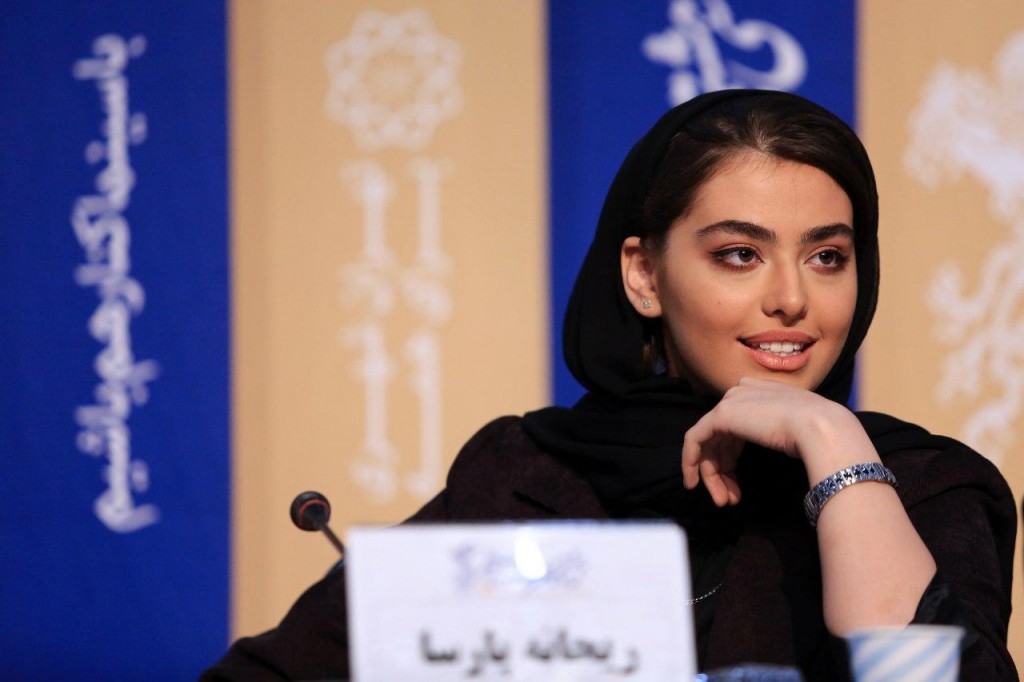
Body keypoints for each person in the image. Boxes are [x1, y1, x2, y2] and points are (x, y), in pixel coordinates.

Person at [201, 89, 1017, 680]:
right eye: (739, 254)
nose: (791, 298)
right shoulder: (526, 475)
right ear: (643, 276)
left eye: (827, 256)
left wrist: (833, 442)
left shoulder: (925, 488)